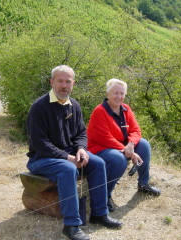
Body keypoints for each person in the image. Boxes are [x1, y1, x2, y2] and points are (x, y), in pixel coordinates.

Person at [26, 66, 122, 240]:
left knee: (98, 163)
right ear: (52, 82)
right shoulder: (39, 107)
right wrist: (67, 157)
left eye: (68, 81)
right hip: (41, 158)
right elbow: (40, 144)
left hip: (69, 153)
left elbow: (81, 133)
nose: (64, 85)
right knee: (68, 169)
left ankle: (99, 214)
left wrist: (81, 149)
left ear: (73, 84)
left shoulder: (74, 106)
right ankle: (71, 226)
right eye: (60, 81)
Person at [87, 78, 161, 212]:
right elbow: (105, 138)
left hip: (122, 146)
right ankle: (105, 196)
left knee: (144, 144)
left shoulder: (126, 109)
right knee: (118, 159)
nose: (119, 96)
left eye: (122, 93)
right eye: (115, 93)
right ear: (108, 93)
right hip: (100, 148)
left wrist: (131, 144)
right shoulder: (100, 111)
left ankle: (144, 184)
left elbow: (135, 130)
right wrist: (128, 151)